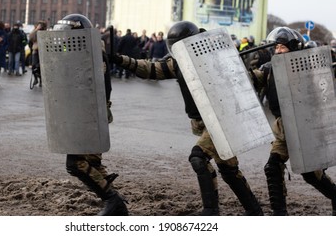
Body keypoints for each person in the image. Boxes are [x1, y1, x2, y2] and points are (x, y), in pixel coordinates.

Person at [113, 21, 263, 216]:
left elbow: (243, 84)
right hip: (203, 123)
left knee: (198, 158)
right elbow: (151, 69)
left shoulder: (216, 57)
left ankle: (211, 211)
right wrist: (121, 60)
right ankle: (255, 212)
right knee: (229, 170)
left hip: (221, 121)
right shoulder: (179, 62)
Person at [253, 26, 336, 216]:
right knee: (272, 167)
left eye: (283, 47)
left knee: (310, 174)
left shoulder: (309, 69)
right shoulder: (268, 69)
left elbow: (323, 101)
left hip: (306, 129)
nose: (279, 51)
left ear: (293, 48)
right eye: (276, 48)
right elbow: (251, 79)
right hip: (283, 129)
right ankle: (279, 214)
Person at [53, 14, 128, 216]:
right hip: (84, 113)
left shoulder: (94, 54)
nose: (66, 41)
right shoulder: (79, 51)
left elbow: (91, 86)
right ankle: (115, 201)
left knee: (75, 163)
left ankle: (114, 202)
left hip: (91, 114)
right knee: (93, 164)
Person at [29, 21, 47, 87]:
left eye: (40, 25)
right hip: (35, 50)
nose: (39, 26)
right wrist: (36, 29)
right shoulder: (35, 31)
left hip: (43, 52)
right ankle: (36, 79)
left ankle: (41, 81)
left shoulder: (45, 32)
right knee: (34, 65)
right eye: (38, 25)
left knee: (40, 67)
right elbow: (30, 37)